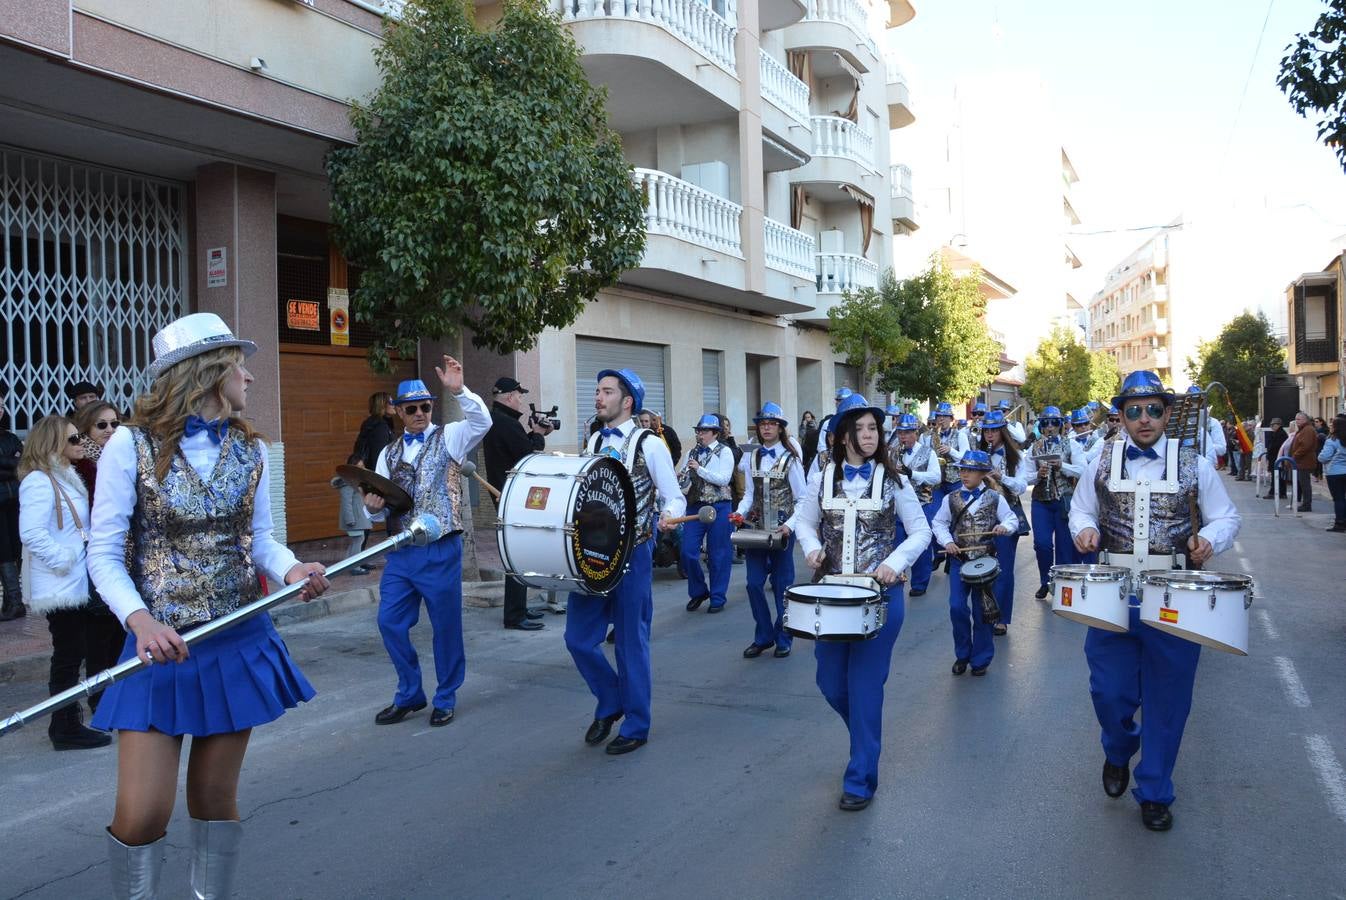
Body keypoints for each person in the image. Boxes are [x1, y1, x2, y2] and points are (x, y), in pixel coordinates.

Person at [87, 312, 331, 897]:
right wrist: (139, 620)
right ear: (209, 374)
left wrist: (292, 567)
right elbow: (102, 553)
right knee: (143, 812)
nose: (249, 377)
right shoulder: (129, 444)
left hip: (236, 641)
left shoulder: (253, 449)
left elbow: (263, 537)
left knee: (214, 801)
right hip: (160, 649)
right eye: (238, 365)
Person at [1069, 370, 1241, 833]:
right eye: (1133, 410)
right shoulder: (1101, 460)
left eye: (1152, 409)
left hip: (1175, 592)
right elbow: (1082, 507)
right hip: (1112, 591)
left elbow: (1226, 516)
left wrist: (1208, 539)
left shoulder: (1194, 463)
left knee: (1169, 697)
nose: (1143, 419)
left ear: (1166, 413)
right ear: (1121, 416)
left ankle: (1155, 789)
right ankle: (1118, 748)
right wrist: (1082, 528)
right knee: (1108, 690)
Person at [794, 393, 932, 811]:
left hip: (879, 598)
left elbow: (921, 531)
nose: (869, 435)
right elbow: (804, 520)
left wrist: (894, 562)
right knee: (829, 682)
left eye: (874, 428)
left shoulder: (896, 479)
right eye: (861, 428)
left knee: (866, 685)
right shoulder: (822, 476)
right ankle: (864, 741)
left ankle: (860, 777)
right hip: (832, 595)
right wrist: (811, 547)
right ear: (842, 435)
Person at [364, 364, 491, 727]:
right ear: (398, 411)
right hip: (402, 551)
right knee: (389, 623)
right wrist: (370, 508)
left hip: (440, 550)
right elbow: (373, 506)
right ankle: (410, 693)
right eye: (412, 408)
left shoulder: (450, 437)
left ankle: (446, 695)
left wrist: (459, 390)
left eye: (425, 407)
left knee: (445, 627)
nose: (420, 414)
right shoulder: (387, 453)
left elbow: (482, 422)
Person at [566, 368, 683, 754]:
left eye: (606, 392)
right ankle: (612, 699)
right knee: (578, 639)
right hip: (591, 554)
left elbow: (675, 496)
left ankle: (636, 724)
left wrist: (668, 515)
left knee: (630, 642)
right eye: (597, 391)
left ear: (627, 400)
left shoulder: (650, 444)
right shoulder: (594, 438)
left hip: (633, 553)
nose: (598, 397)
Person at [17, 415, 111, 750]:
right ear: (53, 443)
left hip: (73, 582)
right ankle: (64, 726)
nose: (80, 443)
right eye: (73, 439)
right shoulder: (39, 482)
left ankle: (68, 722)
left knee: (76, 652)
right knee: (69, 656)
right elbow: (31, 534)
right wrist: (67, 558)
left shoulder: (65, 477)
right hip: (60, 585)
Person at [931, 449, 1017, 676]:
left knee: (983, 611)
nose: (964, 475)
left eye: (970, 471)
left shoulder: (994, 497)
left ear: (982, 474)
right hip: (960, 560)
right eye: (962, 470)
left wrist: (1004, 527)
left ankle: (981, 659)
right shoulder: (951, 498)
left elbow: (1011, 518)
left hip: (986, 563)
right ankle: (962, 654)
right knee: (957, 607)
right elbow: (939, 523)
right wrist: (948, 542)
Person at [70, 400, 132, 701]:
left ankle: (118, 693)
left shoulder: (123, 457)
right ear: (85, 430)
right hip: (97, 554)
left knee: (121, 627)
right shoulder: (81, 466)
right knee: (99, 632)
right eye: (101, 425)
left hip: (127, 552)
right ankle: (99, 697)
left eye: (115, 423)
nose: (110, 430)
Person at [733, 402, 805, 659]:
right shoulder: (752, 456)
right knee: (753, 584)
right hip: (756, 530)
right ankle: (763, 636)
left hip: (782, 531)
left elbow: (803, 498)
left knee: (782, 585)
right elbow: (750, 494)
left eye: (771, 424)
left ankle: (784, 636)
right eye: (763, 424)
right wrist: (740, 512)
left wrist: (790, 525)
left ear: (780, 428)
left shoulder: (791, 459)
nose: (766, 428)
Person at [484, 376, 552, 631]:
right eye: (519, 395)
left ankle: (519, 609)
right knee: (517, 554)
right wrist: (537, 435)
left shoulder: (500, 421)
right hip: (512, 496)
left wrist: (532, 434)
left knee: (519, 553)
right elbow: (528, 459)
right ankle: (514, 615)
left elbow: (515, 450)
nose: (521, 400)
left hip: (506, 493)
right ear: (511, 397)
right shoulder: (506, 423)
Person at [679, 414, 735, 613]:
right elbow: (685, 481)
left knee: (719, 553)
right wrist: (682, 478)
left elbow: (724, 479)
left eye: (703, 432)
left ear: (715, 434)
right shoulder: (691, 452)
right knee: (687, 552)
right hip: (695, 506)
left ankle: (718, 596)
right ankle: (698, 591)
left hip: (719, 506)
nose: (699, 435)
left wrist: (700, 469)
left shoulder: (725, 452)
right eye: (698, 431)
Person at [978, 410, 1028, 635]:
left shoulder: (1015, 456)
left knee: (1004, 568)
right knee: (981, 567)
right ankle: (985, 613)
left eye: (994, 430)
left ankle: (1002, 618)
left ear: (1002, 431)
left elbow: (1021, 487)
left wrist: (1001, 478)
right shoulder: (979, 453)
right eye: (986, 430)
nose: (990, 435)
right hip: (982, 515)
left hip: (1008, 514)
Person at [1027, 406, 1081, 599]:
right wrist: (1037, 475)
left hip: (1063, 502)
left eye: (1054, 423)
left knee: (1064, 545)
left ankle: (1063, 586)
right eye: (1046, 423)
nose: (1050, 427)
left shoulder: (1071, 445)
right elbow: (1025, 478)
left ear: (1060, 425)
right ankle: (1045, 581)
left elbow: (1082, 470)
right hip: (1040, 502)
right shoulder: (1034, 447)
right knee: (1042, 544)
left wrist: (1062, 466)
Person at [890, 413, 940, 597]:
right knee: (896, 543)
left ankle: (919, 583)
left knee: (921, 545)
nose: (903, 436)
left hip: (922, 504)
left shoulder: (929, 452)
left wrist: (913, 474)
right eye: (900, 433)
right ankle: (896, 577)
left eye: (908, 432)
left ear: (916, 433)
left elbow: (936, 477)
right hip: (897, 506)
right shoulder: (893, 451)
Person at [0, 398, 25, 621]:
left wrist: (7, 464)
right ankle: (14, 600)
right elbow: (14, 463)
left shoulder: (10, 437)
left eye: (0, 407)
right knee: (4, 550)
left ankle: (13, 601)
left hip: (14, 500)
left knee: (15, 548)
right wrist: (11, 463)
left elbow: (22, 464)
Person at [331, 454, 374, 576]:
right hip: (354, 519)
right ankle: (355, 567)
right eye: (358, 466)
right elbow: (346, 503)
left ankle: (346, 564)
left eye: (362, 466)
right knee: (358, 540)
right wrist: (350, 519)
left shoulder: (358, 480)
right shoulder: (348, 483)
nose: (361, 468)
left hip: (360, 517)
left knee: (357, 540)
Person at [353, 391, 395, 472]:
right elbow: (379, 456)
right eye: (391, 402)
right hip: (379, 476)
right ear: (382, 405)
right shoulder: (380, 426)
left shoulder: (373, 423)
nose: (394, 405)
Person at [1288, 411, 1318, 512]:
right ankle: (1305, 504)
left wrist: (1294, 456)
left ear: (1305, 420)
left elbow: (1305, 446)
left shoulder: (1308, 430)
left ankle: (1307, 505)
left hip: (1304, 462)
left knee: (1304, 484)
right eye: (1296, 419)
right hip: (1301, 461)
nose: (1297, 421)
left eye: (1299, 419)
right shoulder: (1303, 429)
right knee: (1302, 483)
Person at [1320, 415, 1346, 532]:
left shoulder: (1332, 441)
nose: (1330, 427)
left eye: (1332, 425)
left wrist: (1319, 456)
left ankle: (1340, 523)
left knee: (1339, 499)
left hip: (1334, 473)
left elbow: (1324, 457)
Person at [1260, 418, 1288, 499]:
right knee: (1278, 476)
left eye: (1273, 425)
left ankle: (1273, 492)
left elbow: (1275, 446)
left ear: (1278, 425)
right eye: (1271, 425)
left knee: (1276, 476)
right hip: (1276, 457)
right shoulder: (1278, 433)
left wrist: (1270, 451)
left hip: (1276, 458)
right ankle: (1281, 493)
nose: (1271, 426)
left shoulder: (1280, 434)